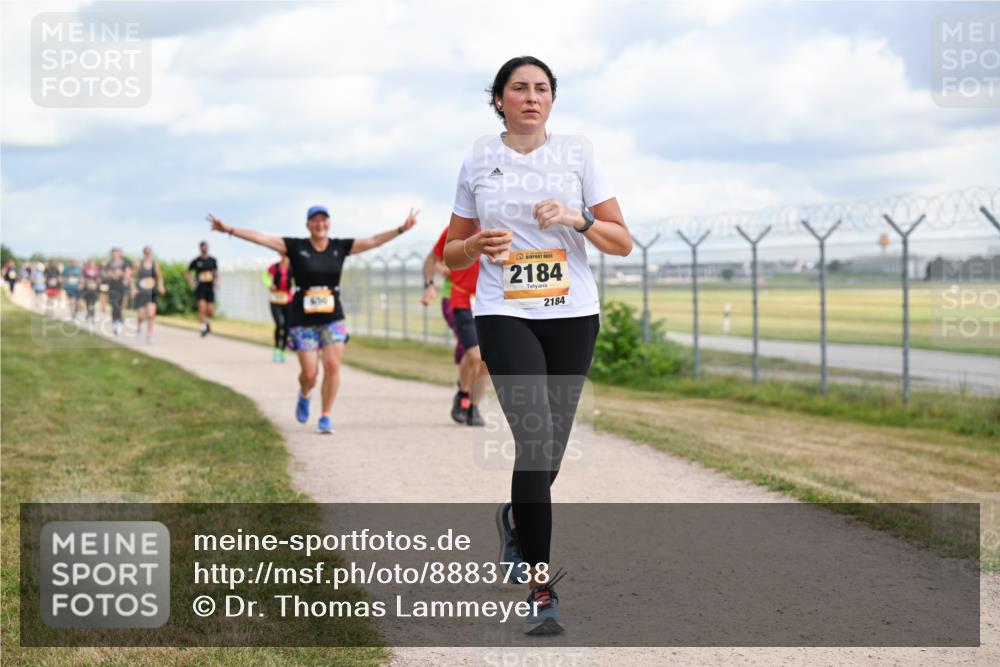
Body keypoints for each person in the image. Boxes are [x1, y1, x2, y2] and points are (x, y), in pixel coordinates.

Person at [442, 56, 632, 635]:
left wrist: (576, 219)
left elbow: (622, 242)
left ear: (552, 99)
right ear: (498, 99)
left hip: (573, 314)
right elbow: (450, 254)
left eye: (542, 88)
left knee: (551, 453)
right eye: (519, 88)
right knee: (533, 441)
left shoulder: (578, 153)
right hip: (504, 311)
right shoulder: (479, 157)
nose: (531, 96)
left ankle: (514, 518)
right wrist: (475, 245)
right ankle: (541, 587)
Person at [206, 204, 418, 434]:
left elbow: (373, 241)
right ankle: (305, 393)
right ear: (308, 225)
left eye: (323, 219)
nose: (319, 224)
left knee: (332, 365)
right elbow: (261, 238)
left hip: (333, 317)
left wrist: (401, 229)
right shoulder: (296, 246)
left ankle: (325, 415)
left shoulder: (339, 247)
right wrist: (229, 229)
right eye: (315, 220)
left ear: (329, 223)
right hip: (303, 319)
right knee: (309, 374)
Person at [422, 226, 488, 425]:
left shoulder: (502, 225)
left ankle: (474, 407)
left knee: (488, 360)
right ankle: (463, 394)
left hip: (491, 301)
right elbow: (431, 260)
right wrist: (429, 285)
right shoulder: (458, 228)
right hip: (461, 299)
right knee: (474, 353)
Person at [263, 255, 294, 362]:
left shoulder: (292, 268)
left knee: (287, 326)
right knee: (279, 324)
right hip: (275, 300)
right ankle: (277, 348)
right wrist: (270, 284)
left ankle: (282, 350)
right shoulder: (274, 267)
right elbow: (265, 276)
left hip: (288, 300)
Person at [132, 246, 165, 343]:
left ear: (152, 253)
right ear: (144, 253)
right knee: (142, 315)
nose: (148, 254)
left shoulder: (155, 265)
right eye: (146, 253)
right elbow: (131, 276)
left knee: (151, 314)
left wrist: (161, 286)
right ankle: (139, 327)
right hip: (141, 293)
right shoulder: (139, 264)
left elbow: (160, 277)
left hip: (151, 293)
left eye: (149, 253)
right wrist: (133, 288)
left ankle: (149, 334)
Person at [186, 241, 218, 337]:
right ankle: (203, 328)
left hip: (210, 287)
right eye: (203, 247)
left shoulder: (213, 260)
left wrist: (217, 281)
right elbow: (187, 272)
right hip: (200, 287)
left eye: (206, 247)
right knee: (202, 308)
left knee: (210, 310)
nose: (205, 249)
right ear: (200, 248)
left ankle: (207, 322)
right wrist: (191, 280)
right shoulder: (196, 261)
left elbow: (216, 272)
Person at [102, 247, 132, 335]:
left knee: (120, 306)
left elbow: (127, 274)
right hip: (112, 287)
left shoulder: (124, 263)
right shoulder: (109, 264)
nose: (115, 255)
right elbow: (106, 274)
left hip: (121, 287)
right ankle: (115, 322)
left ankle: (119, 322)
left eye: (116, 253)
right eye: (113, 253)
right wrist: (112, 274)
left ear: (119, 254)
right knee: (114, 305)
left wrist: (121, 275)